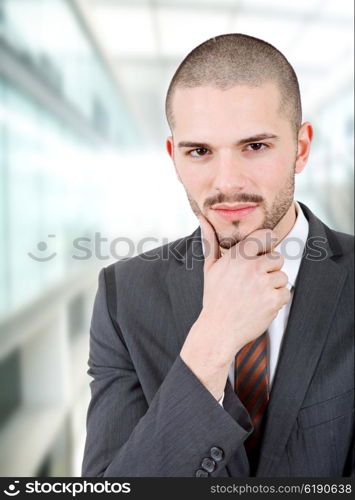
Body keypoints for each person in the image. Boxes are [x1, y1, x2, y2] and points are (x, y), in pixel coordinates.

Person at [81, 34, 354, 477]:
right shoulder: (122, 297)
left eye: (255, 146)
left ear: (301, 148)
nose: (227, 182)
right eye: (201, 152)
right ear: (175, 157)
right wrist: (213, 342)